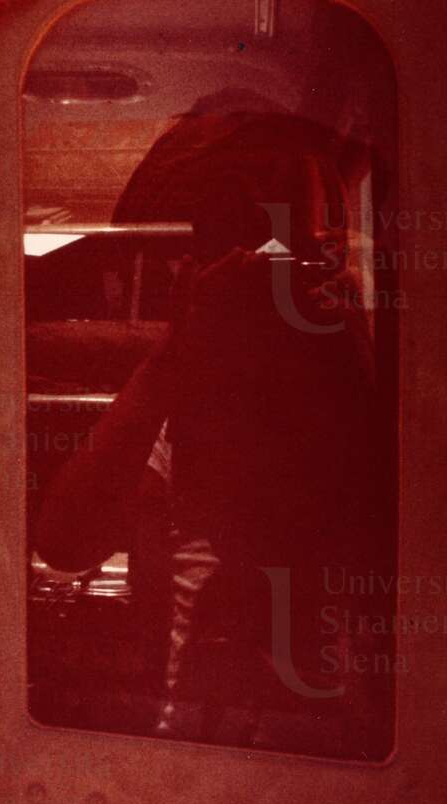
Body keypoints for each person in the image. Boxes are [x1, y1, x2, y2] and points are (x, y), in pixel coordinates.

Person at [33, 102, 394, 759]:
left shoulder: (360, 368)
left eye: (285, 237)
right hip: (197, 737)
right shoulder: (188, 396)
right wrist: (178, 351)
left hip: (329, 739)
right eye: (221, 233)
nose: (259, 262)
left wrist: (352, 341)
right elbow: (66, 543)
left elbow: (385, 533)